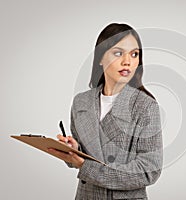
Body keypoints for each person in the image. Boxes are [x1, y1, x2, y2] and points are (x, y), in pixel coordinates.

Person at [48, 23, 163, 200]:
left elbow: (149, 171)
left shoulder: (145, 106)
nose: (128, 61)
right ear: (101, 57)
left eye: (134, 54)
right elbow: (83, 156)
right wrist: (74, 149)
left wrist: (87, 167)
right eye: (118, 53)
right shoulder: (81, 102)